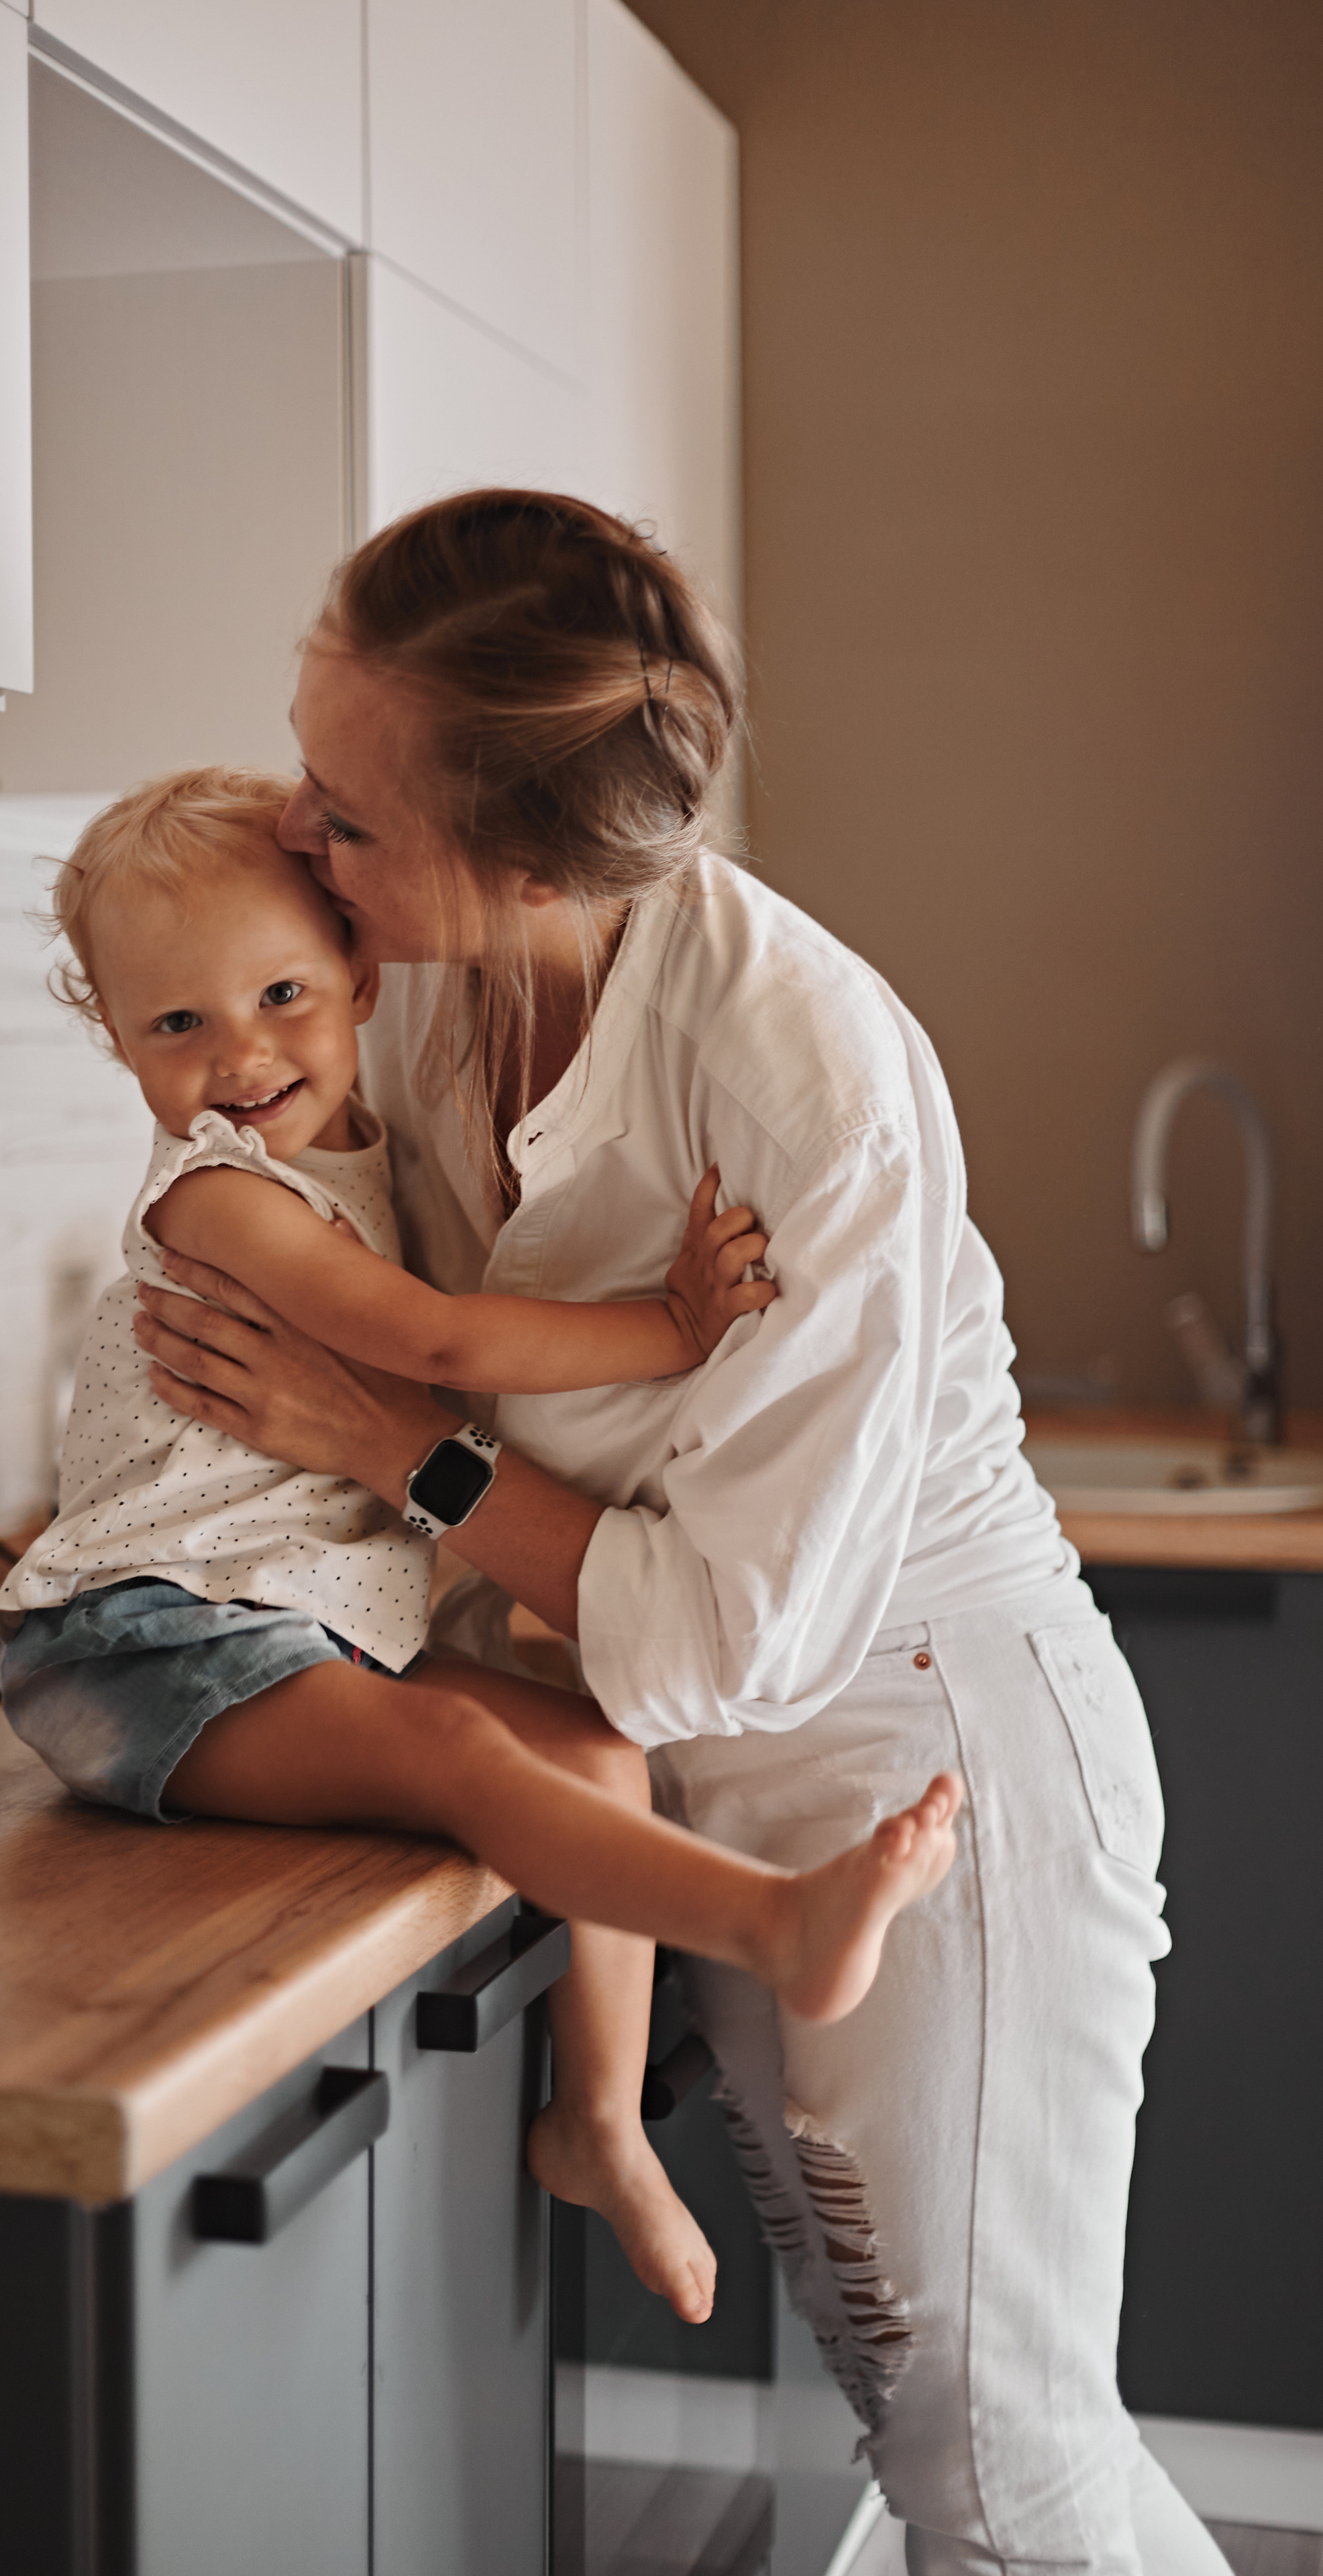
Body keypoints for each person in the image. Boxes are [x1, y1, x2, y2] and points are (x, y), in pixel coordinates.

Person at [129, 494, 1232, 2575]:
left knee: (1001, 2465)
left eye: (351, 817)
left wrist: (399, 1449)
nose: (301, 831)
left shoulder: (802, 1083)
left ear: (529, 857)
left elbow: (716, 1629)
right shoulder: (431, 974)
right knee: (942, 2460)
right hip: (737, 1790)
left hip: (921, 1755)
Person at [0, 766, 963, 2330]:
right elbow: (434, 1337)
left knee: (595, 1740)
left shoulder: (362, 1150)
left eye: (281, 994)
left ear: (360, 974)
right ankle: (764, 1922)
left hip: (273, 1634)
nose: (239, 1057)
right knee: (453, 1744)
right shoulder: (221, 1200)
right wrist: (667, 1324)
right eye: (176, 1028)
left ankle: (594, 2127)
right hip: (141, 1646)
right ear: (116, 1041)